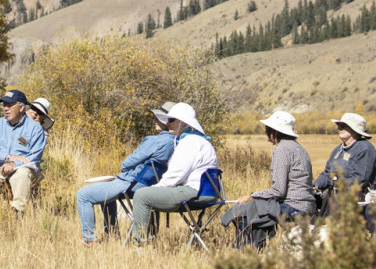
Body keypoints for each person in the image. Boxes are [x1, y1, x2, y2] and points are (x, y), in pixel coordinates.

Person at [76, 102, 176, 246]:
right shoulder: (177, 142)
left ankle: (89, 238)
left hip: (132, 182)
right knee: (107, 195)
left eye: (158, 117)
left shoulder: (155, 140)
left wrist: (124, 167)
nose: (155, 119)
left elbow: (128, 162)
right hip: (151, 184)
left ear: (167, 122)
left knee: (83, 195)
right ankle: (112, 234)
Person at [222, 111, 316, 249]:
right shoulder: (298, 148)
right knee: (253, 210)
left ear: (275, 132)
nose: (266, 134)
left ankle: (245, 255)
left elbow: (278, 190)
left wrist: (251, 196)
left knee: (243, 215)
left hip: (293, 206)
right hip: (306, 205)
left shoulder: (282, 150)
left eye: (267, 130)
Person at [130, 102, 219, 244]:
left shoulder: (189, 142)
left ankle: (140, 245)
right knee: (149, 194)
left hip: (194, 191)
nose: (168, 123)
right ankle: (149, 239)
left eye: (171, 120)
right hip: (209, 192)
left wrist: (155, 189)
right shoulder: (200, 141)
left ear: (183, 122)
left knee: (142, 195)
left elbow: (176, 174)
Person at [0, 90, 46, 213]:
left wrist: (15, 164)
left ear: (21, 107)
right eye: (4, 105)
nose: (5, 109)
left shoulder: (35, 129)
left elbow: (34, 158)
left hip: (22, 169)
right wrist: (8, 157)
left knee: (22, 174)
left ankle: (17, 214)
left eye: (9, 105)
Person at [314, 112, 376, 216]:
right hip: (333, 194)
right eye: (339, 125)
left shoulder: (365, 148)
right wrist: (316, 185)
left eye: (343, 126)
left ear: (355, 130)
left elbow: (360, 180)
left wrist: (334, 182)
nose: (339, 128)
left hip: (354, 198)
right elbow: (327, 173)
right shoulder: (338, 149)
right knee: (306, 199)